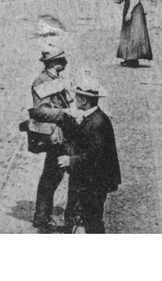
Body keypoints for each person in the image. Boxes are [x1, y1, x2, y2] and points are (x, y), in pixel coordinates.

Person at [59, 71, 119, 233]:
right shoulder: (93, 118)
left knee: (92, 220)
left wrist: (71, 160)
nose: (74, 99)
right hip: (91, 179)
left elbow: (95, 154)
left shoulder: (98, 123)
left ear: (84, 100)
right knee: (89, 218)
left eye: (77, 96)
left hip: (94, 182)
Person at [26, 39, 74, 232]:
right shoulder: (42, 82)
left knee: (56, 175)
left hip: (64, 133)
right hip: (55, 136)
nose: (66, 63)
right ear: (55, 62)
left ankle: (45, 215)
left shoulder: (55, 80)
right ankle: (41, 217)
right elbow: (39, 111)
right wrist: (64, 114)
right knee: (51, 177)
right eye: (62, 60)